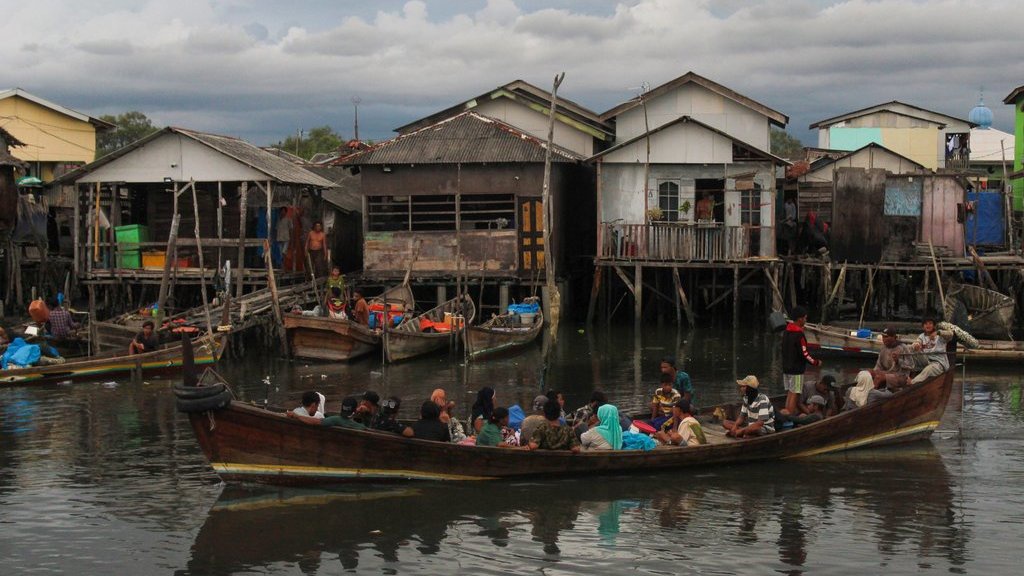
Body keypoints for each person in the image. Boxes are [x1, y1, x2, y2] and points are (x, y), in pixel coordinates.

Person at [782, 305, 821, 415]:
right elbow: (805, 354)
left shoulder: (786, 331)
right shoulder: (799, 334)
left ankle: (787, 413)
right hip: (796, 370)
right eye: (805, 318)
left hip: (786, 368)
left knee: (790, 392)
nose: (805, 320)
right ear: (800, 319)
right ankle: (788, 415)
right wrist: (816, 362)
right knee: (795, 392)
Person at [910, 317, 951, 385]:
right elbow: (918, 341)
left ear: (934, 326)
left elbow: (950, 334)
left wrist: (938, 333)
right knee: (911, 349)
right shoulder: (922, 336)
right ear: (923, 326)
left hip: (938, 363)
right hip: (926, 360)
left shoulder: (940, 336)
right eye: (926, 324)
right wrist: (916, 345)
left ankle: (912, 382)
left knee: (928, 370)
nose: (928, 325)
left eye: (930, 323)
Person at [289, 396, 365, 429]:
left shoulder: (336, 419)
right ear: (355, 410)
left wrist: (297, 416)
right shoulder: (360, 426)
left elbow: (315, 422)